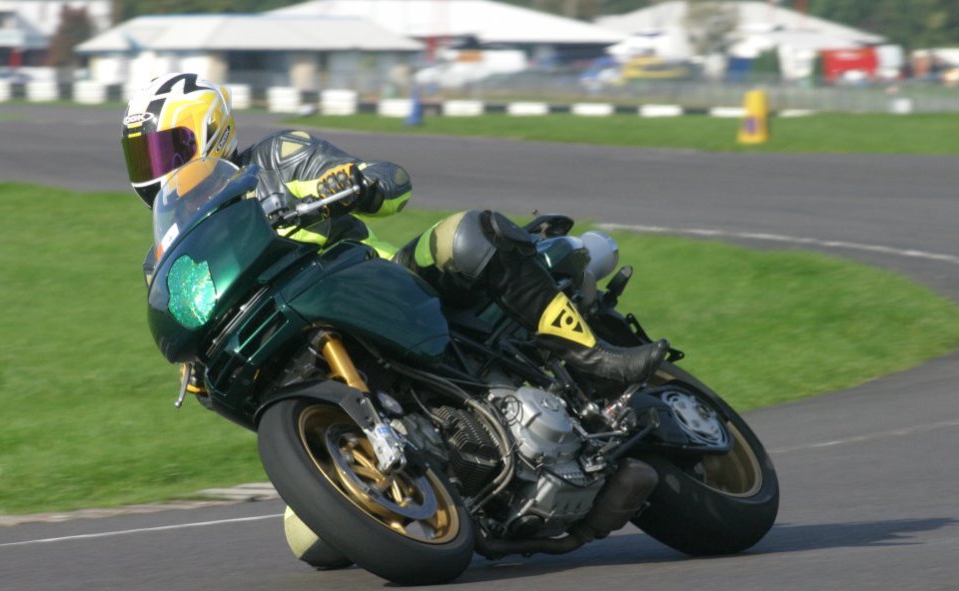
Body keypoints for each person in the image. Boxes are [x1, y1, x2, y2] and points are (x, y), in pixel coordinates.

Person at [121, 73, 667, 392]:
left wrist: (355, 181)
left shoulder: (277, 156)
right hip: (293, 345)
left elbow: (389, 185)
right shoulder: (167, 252)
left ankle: (591, 355)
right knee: (309, 537)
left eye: (167, 149)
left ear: (211, 128)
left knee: (465, 236)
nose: (155, 168)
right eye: (142, 156)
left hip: (384, 283)